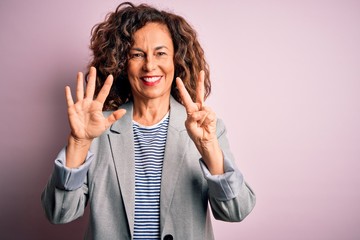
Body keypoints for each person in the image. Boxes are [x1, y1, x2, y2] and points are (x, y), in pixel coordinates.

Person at [41, 2, 256, 240]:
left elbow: (236, 211)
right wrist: (79, 143)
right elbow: (59, 213)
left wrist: (209, 149)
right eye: (137, 55)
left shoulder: (204, 128)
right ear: (123, 63)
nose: (150, 65)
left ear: (177, 59)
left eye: (160, 53)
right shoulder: (95, 128)